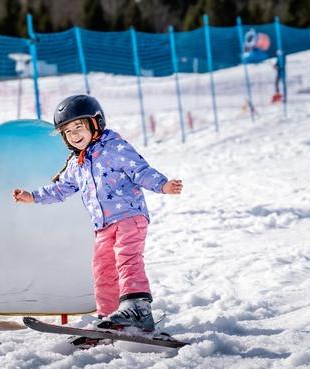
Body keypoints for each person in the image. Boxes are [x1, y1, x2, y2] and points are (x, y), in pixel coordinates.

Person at [12, 95, 183, 334]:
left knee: (127, 258)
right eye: (67, 131)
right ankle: (109, 317)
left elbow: (140, 170)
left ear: (96, 124)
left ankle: (137, 307)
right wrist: (34, 196)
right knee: (102, 269)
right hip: (102, 226)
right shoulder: (76, 163)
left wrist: (163, 185)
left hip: (129, 217)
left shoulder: (115, 147)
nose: (74, 135)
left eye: (78, 127)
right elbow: (61, 188)